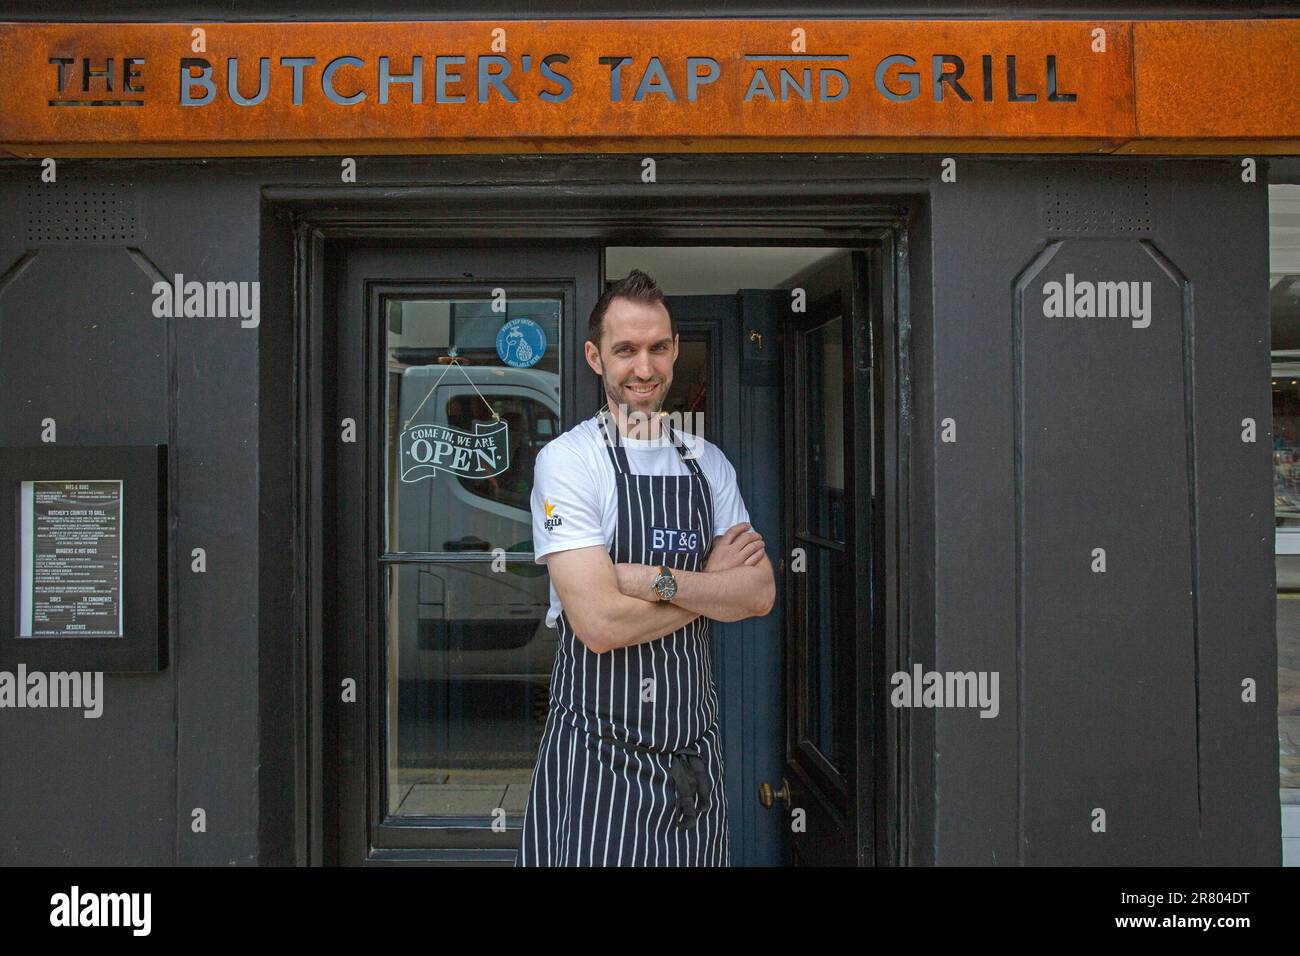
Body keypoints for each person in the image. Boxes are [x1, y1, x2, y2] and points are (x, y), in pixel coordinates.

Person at [515, 268, 776, 867]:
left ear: (676, 348)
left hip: (691, 753)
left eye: (659, 347)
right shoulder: (570, 462)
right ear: (594, 356)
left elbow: (758, 594)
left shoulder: (707, 463)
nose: (644, 368)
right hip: (597, 758)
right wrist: (712, 585)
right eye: (625, 350)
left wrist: (645, 579)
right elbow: (600, 624)